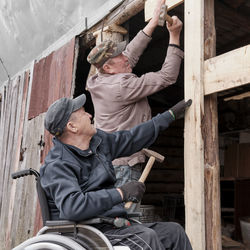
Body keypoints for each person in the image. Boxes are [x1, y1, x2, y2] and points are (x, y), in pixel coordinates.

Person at [40, 93, 193, 249]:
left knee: (174, 232)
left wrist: (169, 116)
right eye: (83, 113)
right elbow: (73, 206)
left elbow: (132, 139)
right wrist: (121, 193)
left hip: (110, 224)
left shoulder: (97, 143)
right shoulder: (57, 165)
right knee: (146, 238)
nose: (89, 115)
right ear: (72, 127)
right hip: (85, 232)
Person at [86, 0, 184, 188]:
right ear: (108, 67)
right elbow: (167, 77)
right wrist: (175, 37)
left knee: (115, 215)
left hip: (109, 163)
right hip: (124, 167)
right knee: (125, 216)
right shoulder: (121, 86)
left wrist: (154, 22)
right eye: (119, 56)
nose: (125, 57)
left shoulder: (97, 79)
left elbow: (129, 55)